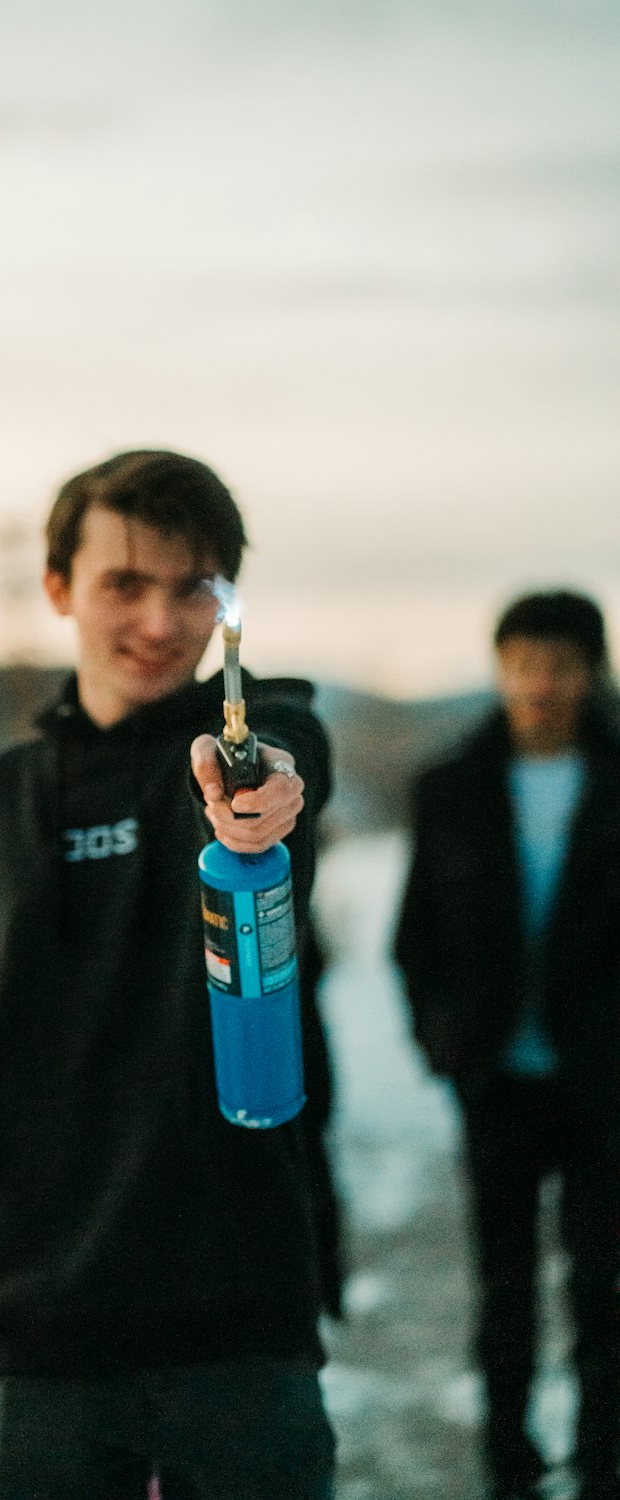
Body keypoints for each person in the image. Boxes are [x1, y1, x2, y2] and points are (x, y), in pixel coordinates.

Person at [0, 449, 336, 1500]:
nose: (159, 621)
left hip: (238, 1315)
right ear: (59, 587)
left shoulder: (250, 744)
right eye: (124, 583)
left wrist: (264, 793)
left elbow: (283, 755)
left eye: (192, 586)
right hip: (37, 1332)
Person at [394, 590, 620, 1500]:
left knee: (603, 1290)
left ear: (591, 671)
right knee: (505, 1290)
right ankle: (508, 1466)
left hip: (605, 1081)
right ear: (500, 669)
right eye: (524, 662)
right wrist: (445, 1045)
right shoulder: (450, 784)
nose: (541, 683)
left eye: (560, 663)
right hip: (495, 1080)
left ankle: (603, 1464)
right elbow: (417, 938)